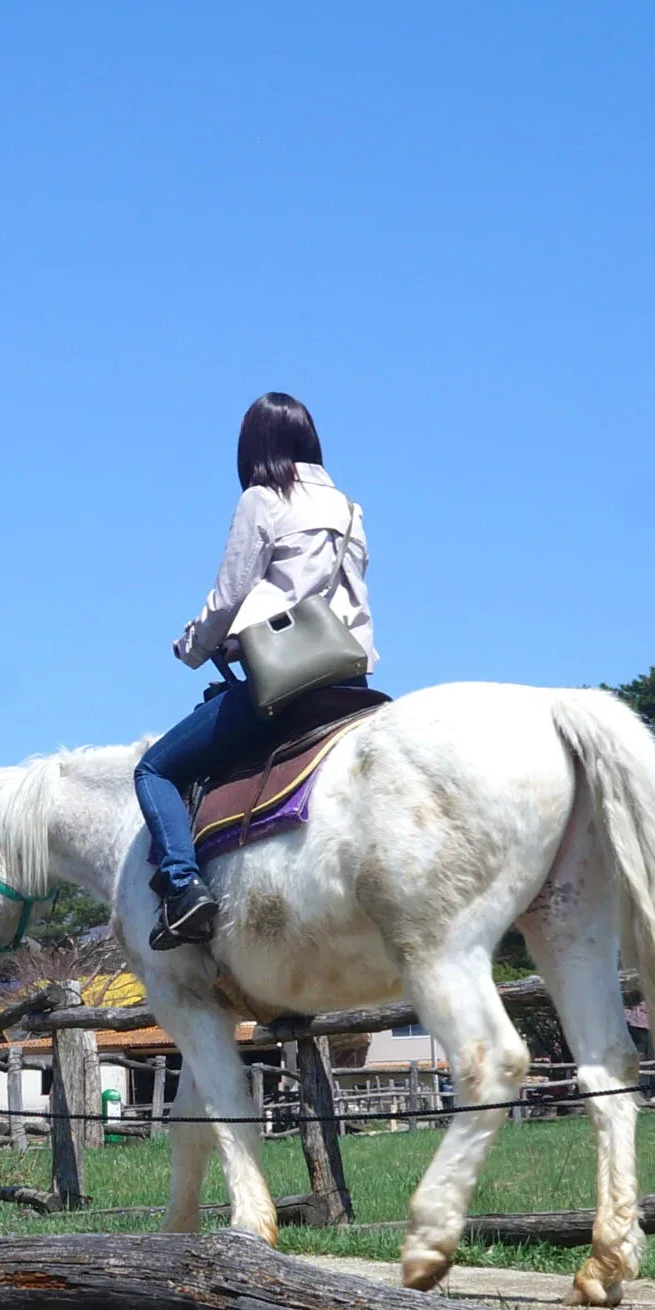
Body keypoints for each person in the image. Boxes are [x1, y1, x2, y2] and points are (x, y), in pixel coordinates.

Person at [134, 392, 376, 949]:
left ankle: (183, 888)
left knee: (154, 770)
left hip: (289, 681)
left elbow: (228, 597)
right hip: (353, 679)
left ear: (254, 448)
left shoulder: (264, 498)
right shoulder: (350, 508)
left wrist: (192, 647)